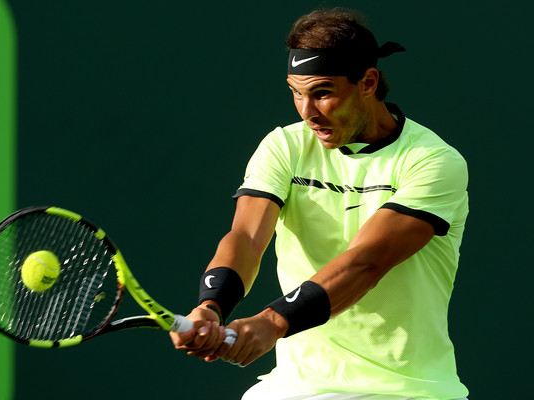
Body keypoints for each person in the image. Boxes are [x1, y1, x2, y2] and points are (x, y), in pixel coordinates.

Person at [171, 7, 469, 400]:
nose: (307, 112)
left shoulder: (433, 161)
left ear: (368, 82)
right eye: (296, 92)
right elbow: (246, 236)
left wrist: (273, 322)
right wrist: (211, 306)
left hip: (405, 390)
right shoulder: (285, 146)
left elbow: (367, 262)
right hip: (295, 385)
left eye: (322, 93)